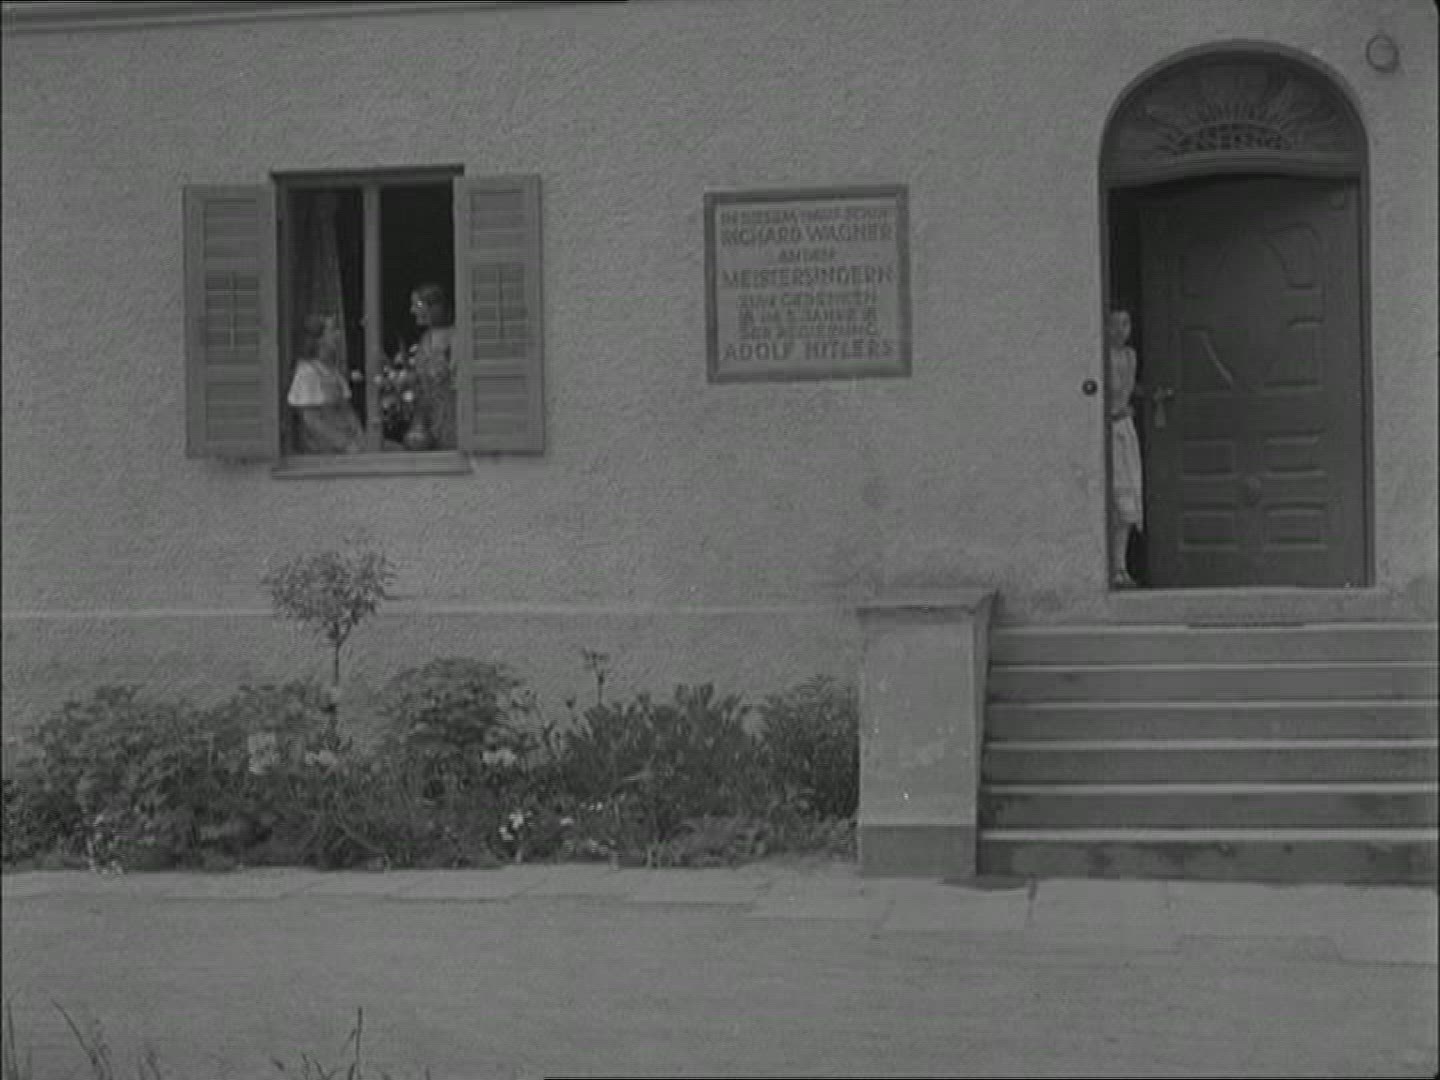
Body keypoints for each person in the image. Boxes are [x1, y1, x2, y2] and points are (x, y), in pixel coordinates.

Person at [287, 314, 360, 454]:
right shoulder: (307, 372)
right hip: (325, 450)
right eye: (333, 331)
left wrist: (360, 437)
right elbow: (311, 421)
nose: (338, 335)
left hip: (349, 443)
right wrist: (344, 443)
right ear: (319, 339)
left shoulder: (333, 371)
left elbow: (348, 411)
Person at [1107, 308, 1144, 587]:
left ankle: (1122, 566)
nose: (1121, 330)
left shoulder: (1130, 356)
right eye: (1114, 324)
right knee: (1113, 497)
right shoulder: (1100, 355)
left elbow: (1128, 390)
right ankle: (1110, 566)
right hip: (1107, 429)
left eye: (1126, 323)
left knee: (1129, 496)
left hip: (1124, 428)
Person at [397, 282, 456, 450]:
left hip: (449, 412)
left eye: (418, 304)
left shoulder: (455, 336)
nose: (413, 310)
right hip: (428, 413)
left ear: (436, 307)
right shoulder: (426, 337)